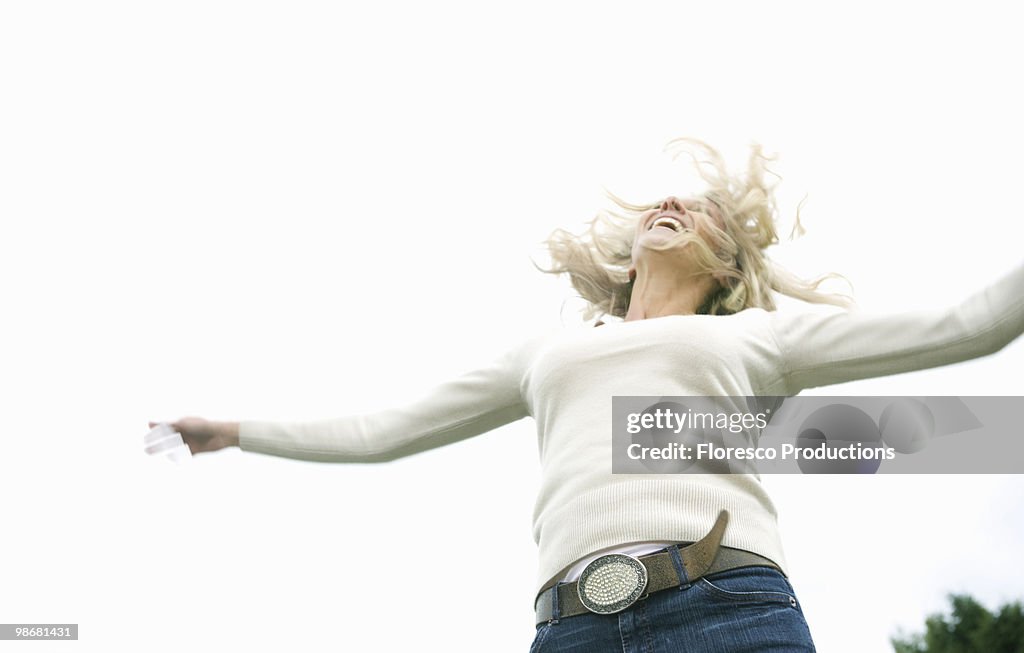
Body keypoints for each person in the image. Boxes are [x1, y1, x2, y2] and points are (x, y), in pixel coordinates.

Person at [146, 139, 1024, 652]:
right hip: (570, 628)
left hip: (728, 609)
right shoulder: (550, 353)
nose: (674, 201)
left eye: (705, 209)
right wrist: (233, 431)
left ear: (727, 265)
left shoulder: (755, 337)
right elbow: (386, 429)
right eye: (664, 199)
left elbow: (975, 321)